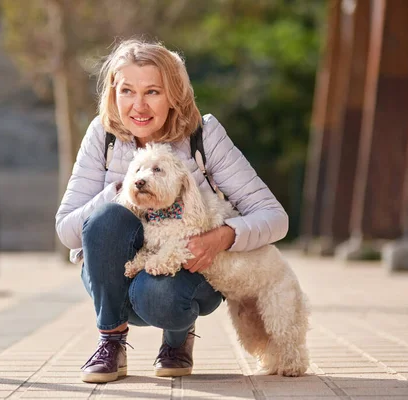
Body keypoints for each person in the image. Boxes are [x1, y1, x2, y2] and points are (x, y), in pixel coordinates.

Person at [55, 39, 288, 383]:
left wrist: (223, 236)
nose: (138, 106)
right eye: (127, 91)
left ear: (174, 95)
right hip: (114, 278)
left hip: (184, 278)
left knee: (159, 294)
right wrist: (121, 191)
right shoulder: (101, 137)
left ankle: (178, 340)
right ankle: (111, 342)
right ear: (113, 94)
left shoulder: (203, 136)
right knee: (107, 218)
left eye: (152, 92)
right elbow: (67, 230)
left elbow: (275, 217)